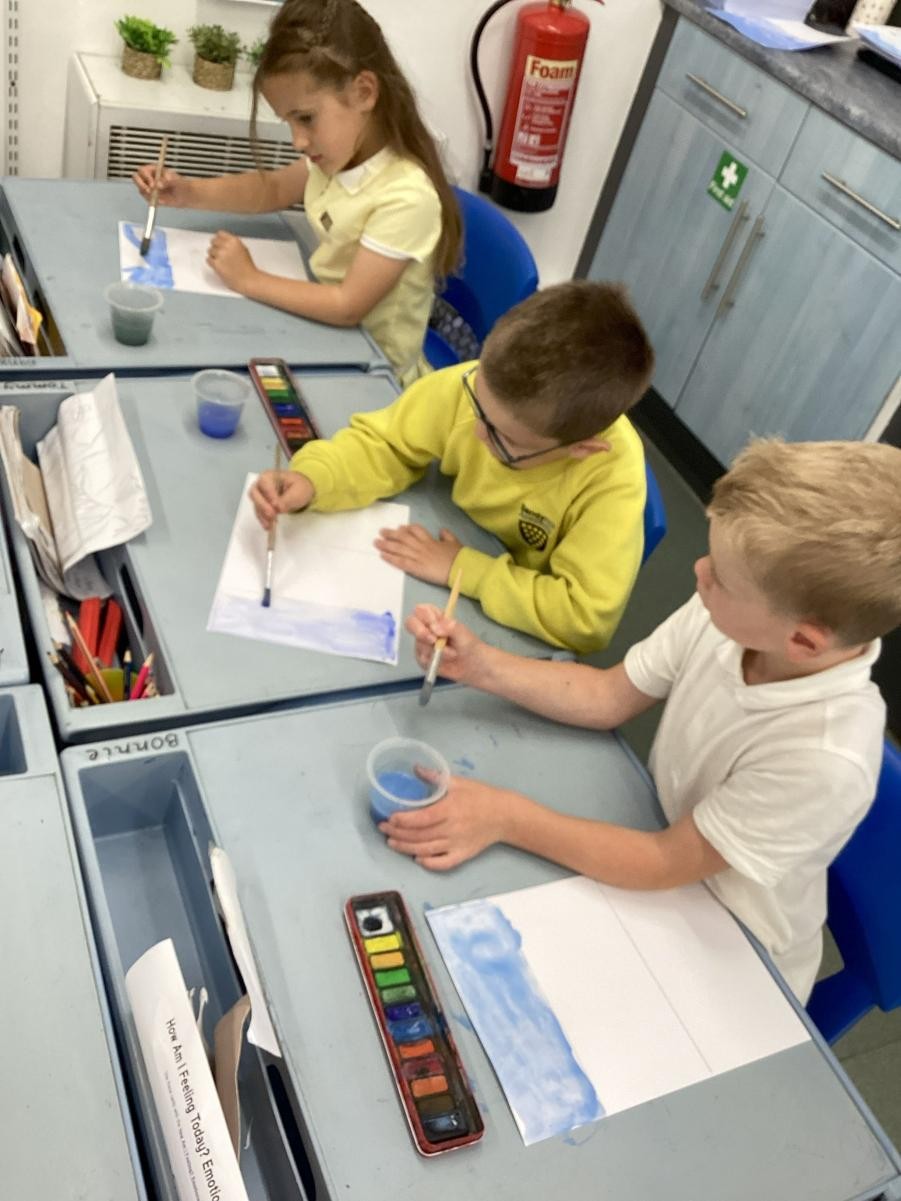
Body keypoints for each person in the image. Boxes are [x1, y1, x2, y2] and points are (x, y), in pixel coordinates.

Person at [393, 438, 901, 1002]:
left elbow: (664, 862)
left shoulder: (824, 758)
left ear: (803, 642)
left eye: (722, 577)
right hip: (660, 848)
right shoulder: (732, 615)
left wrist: (507, 817)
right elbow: (608, 697)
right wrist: (482, 665)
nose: (699, 571)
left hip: (731, 952)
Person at [250, 280, 655, 653]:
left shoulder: (612, 481)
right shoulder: (478, 386)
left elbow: (584, 618)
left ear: (581, 449)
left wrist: (463, 569)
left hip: (507, 627)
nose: (476, 432)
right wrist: (314, 479)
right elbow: (385, 443)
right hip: (453, 551)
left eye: (504, 439)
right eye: (477, 405)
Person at [133, 0, 461, 384]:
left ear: (364, 92)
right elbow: (271, 189)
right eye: (289, 122)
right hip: (323, 334)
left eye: (306, 118)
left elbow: (347, 306)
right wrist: (189, 192)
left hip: (375, 376)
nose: (298, 141)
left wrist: (249, 279)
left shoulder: (406, 197)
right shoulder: (340, 155)